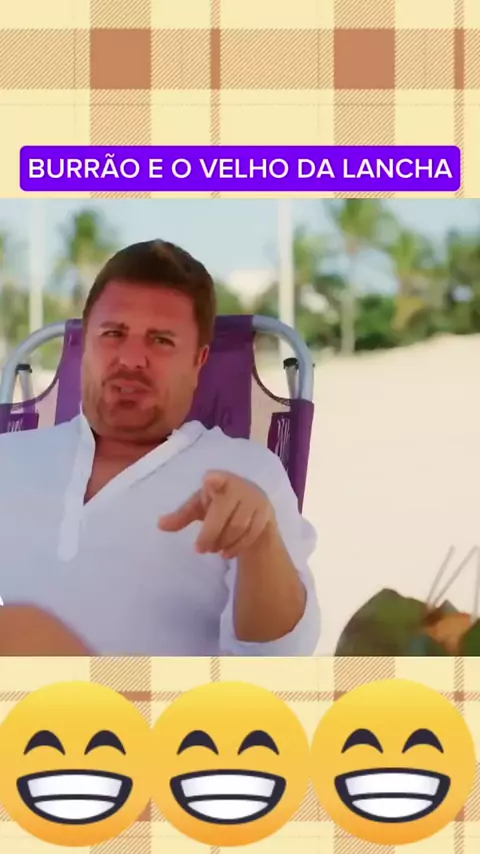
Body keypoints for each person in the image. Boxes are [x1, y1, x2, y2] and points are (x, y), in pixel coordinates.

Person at [0, 240, 320, 656]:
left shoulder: (248, 474)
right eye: (113, 334)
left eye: (161, 340)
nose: (132, 359)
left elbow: (280, 661)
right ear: (85, 347)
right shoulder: (10, 459)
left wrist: (260, 542)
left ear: (198, 361)